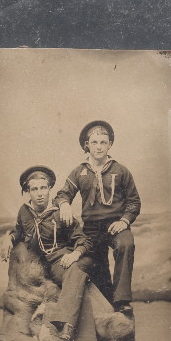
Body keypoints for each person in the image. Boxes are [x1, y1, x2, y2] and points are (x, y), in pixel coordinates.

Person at [1, 166, 98, 341]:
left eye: (43, 188)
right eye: (34, 189)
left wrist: (75, 254)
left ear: (50, 188)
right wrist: (8, 238)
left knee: (76, 272)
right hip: (45, 264)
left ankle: (75, 333)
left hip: (66, 259)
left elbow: (84, 240)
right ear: (28, 191)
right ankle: (82, 339)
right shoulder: (24, 211)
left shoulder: (60, 211)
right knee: (79, 285)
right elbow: (20, 230)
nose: (39, 194)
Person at [54, 120, 140, 316]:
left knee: (126, 244)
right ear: (87, 145)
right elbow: (62, 194)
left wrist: (124, 221)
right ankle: (107, 302)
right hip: (91, 229)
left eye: (103, 142)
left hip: (116, 225)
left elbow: (134, 202)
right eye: (95, 142)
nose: (99, 147)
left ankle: (122, 301)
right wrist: (65, 204)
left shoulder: (120, 170)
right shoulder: (79, 171)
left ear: (110, 144)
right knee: (94, 263)